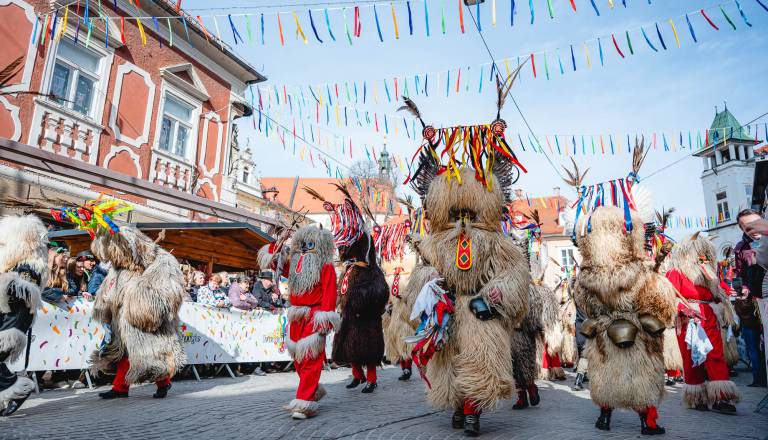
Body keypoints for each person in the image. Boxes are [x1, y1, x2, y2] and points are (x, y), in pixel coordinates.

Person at [91, 226, 186, 400]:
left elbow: (169, 288)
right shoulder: (118, 267)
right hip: (121, 318)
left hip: (145, 318)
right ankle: (120, 388)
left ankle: (163, 383)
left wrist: (140, 298)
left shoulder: (160, 259)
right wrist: (105, 300)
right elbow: (110, 285)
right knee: (124, 352)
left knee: (150, 353)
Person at [260, 226, 340, 419]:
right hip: (296, 315)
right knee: (298, 359)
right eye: (302, 245)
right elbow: (274, 263)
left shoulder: (326, 266)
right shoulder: (295, 264)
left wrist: (325, 319)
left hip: (315, 314)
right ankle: (312, 390)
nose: (304, 249)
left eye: (309, 245)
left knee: (311, 360)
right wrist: (280, 240)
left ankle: (303, 403)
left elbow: (330, 293)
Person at [666, 233, 741, 414]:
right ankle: (696, 396)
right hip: (686, 319)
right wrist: (682, 309)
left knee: (715, 355)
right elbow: (667, 296)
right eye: (699, 252)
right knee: (691, 358)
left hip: (709, 316)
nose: (703, 256)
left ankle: (720, 397)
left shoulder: (708, 273)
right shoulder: (675, 273)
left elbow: (718, 293)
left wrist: (720, 293)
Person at [324, 192, 389, 395]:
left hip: (366, 319)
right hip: (349, 316)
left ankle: (371, 379)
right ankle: (357, 375)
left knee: (367, 350)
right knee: (350, 347)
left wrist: (361, 301)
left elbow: (380, 292)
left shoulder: (371, 270)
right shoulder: (349, 269)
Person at [0, 214, 48, 417]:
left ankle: (18, 387)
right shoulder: (14, 266)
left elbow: (24, 292)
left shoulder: (28, 267)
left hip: (12, 325)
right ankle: (9, 392)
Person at [734, 209, 767, 388]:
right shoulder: (741, 247)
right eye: (748, 228)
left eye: (756, 223)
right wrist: (743, 289)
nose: (754, 230)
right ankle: (759, 379)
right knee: (753, 342)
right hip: (753, 304)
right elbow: (740, 275)